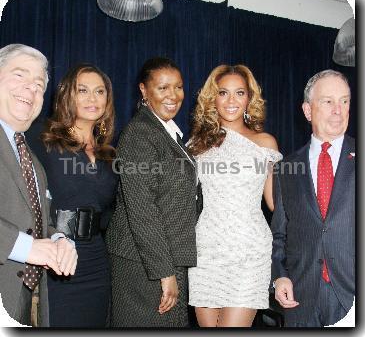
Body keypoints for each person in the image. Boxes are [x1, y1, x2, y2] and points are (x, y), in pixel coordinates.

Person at [105, 57, 201, 327]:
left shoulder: (169, 133)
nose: (173, 95)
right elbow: (142, 210)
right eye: (163, 88)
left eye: (179, 87)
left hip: (165, 256)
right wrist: (164, 272)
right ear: (144, 91)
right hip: (142, 263)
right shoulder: (139, 134)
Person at [187, 64, 282, 327]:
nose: (231, 101)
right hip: (206, 250)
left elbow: (275, 203)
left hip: (249, 252)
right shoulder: (196, 145)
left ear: (249, 98)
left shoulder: (265, 143)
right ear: (212, 98)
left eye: (239, 93)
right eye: (223, 93)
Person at [28, 64, 118, 327]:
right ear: (67, 95)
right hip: (55, 259)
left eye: (99, 91)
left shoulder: (109, 155)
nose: (93, 98)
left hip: (97, 261)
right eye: (83, 90)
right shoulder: (41, 137)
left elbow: (109, 212)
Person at [0, 44, 77, 327]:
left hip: (27, 301)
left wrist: (59, 241)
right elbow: (27, 241)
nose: (30, 89)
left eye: (39, 85)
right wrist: (26, 247)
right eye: (19, 76)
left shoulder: (30, 158)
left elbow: (39, 222)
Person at [271, 69, 354, 327]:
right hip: (301, 299)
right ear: (307, 111)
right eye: (328, 101)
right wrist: (280, 277)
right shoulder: (286, 168)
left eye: (344, 101)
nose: (338, 110)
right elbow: (279, 236)